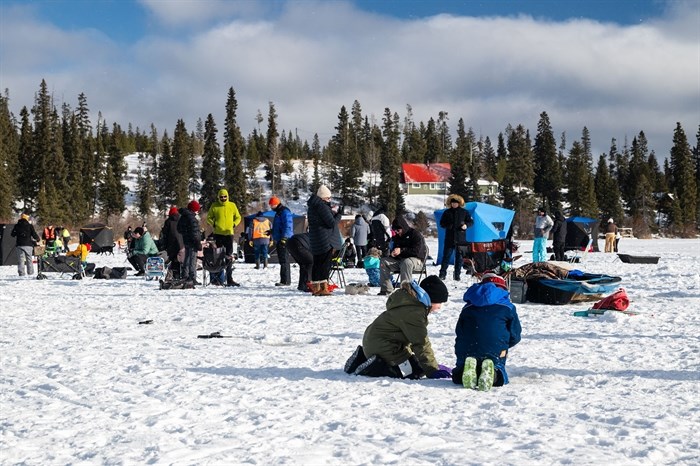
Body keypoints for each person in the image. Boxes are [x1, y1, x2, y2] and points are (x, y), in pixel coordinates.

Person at [344, 275, 452, 380]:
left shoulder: (409, 302)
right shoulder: (414, 312)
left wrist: (433, 364)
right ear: (431, 298)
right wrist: (432, 369)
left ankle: (364, 358)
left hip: (376, 342)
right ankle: (373, 367)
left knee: (416, 363)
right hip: (384, 346)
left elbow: (408, 338)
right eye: (440, 302)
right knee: (413, 371)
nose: (439, 307)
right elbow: (420, 342)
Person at [452, 273, 522, 391]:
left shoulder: (468, 307)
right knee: (499, 371)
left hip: (468, 347)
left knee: (460, 371)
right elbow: (515, 335)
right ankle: (494, 373)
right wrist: (504, 344)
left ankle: (463, 369)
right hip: (495, 347)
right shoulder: (508, 307)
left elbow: (459, 330)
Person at [378, 215, 427, 296]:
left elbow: (417, 251)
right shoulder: (396, 237)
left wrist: (401, 250)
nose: (397, 232)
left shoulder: (415, 234)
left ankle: (406, 291)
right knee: (384, 262)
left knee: (406, 262)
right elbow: (395, 251)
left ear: (403, 227)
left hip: (417, 261)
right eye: (395, 230)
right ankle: (386, 289)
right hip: (401, 261)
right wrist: (393, 254)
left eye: (398, 230)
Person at [307, 185, 342, 296]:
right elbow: (331, 223)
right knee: (324, 264)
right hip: (325, 239)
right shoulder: (322, 206)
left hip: (316, 239)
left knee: (317, 263)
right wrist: (338, 215)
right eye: (328, 198)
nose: (329, 200)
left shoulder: (312, 206)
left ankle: (316, 287)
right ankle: (323, 288)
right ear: (323, 197)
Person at [206, 188, 242, 286]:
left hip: (229, 234)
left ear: (227, 196)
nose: (223, 198)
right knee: (218, 256)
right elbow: (208, 217)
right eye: (221, 197)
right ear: (218, 197)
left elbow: (238, 217)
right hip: (218, 234)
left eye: (225, 196)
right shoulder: (214, 206)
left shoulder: (232, 205)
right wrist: (214, 224)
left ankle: (229, 279)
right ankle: (218, 278)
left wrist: (234, 224)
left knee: (229, 256)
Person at [439, 194, 473, 281]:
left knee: (459, 258)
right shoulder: (447, 212)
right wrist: (448, 226)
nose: (454, 204)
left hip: (460, 239)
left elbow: (471, 221)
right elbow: (442, 223)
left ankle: (457, 275)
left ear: (459, 203)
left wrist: (466, 225)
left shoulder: (464, 212)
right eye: (452, 203)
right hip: (449, 238)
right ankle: (442, 274)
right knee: (446, 257)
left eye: (455, 203)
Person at [269, 196, 294, 286]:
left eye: (271, 205)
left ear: (275, 204)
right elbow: (279, 226)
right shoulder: (279, 212)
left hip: (284, 239)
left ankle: (286, 281)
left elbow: (288, 225)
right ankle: (284, 279)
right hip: (279, 238)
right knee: (282, 260)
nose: (271, 207)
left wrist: (285, 238)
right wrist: (271, 232)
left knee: (284, 259)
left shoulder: (284, 212)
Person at [177, 200, 203, 285]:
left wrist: (186, 234)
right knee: (192, 259)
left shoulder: (183, 216)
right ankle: (192, 278)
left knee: (187, 258)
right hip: (193, 241)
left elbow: (179, 229)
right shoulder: (192, 218)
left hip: (186, 240)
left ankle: (185, 275)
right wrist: (198, 243)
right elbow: (195, 232)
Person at [161, 206, 185, 279]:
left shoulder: (168, 221)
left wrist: (164, 246)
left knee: (174, 261)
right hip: (182, 245)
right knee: (182, 261)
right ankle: (183, 276)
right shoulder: (182, 220)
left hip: (171, 245)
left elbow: (165, 234)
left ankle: (175, 276)